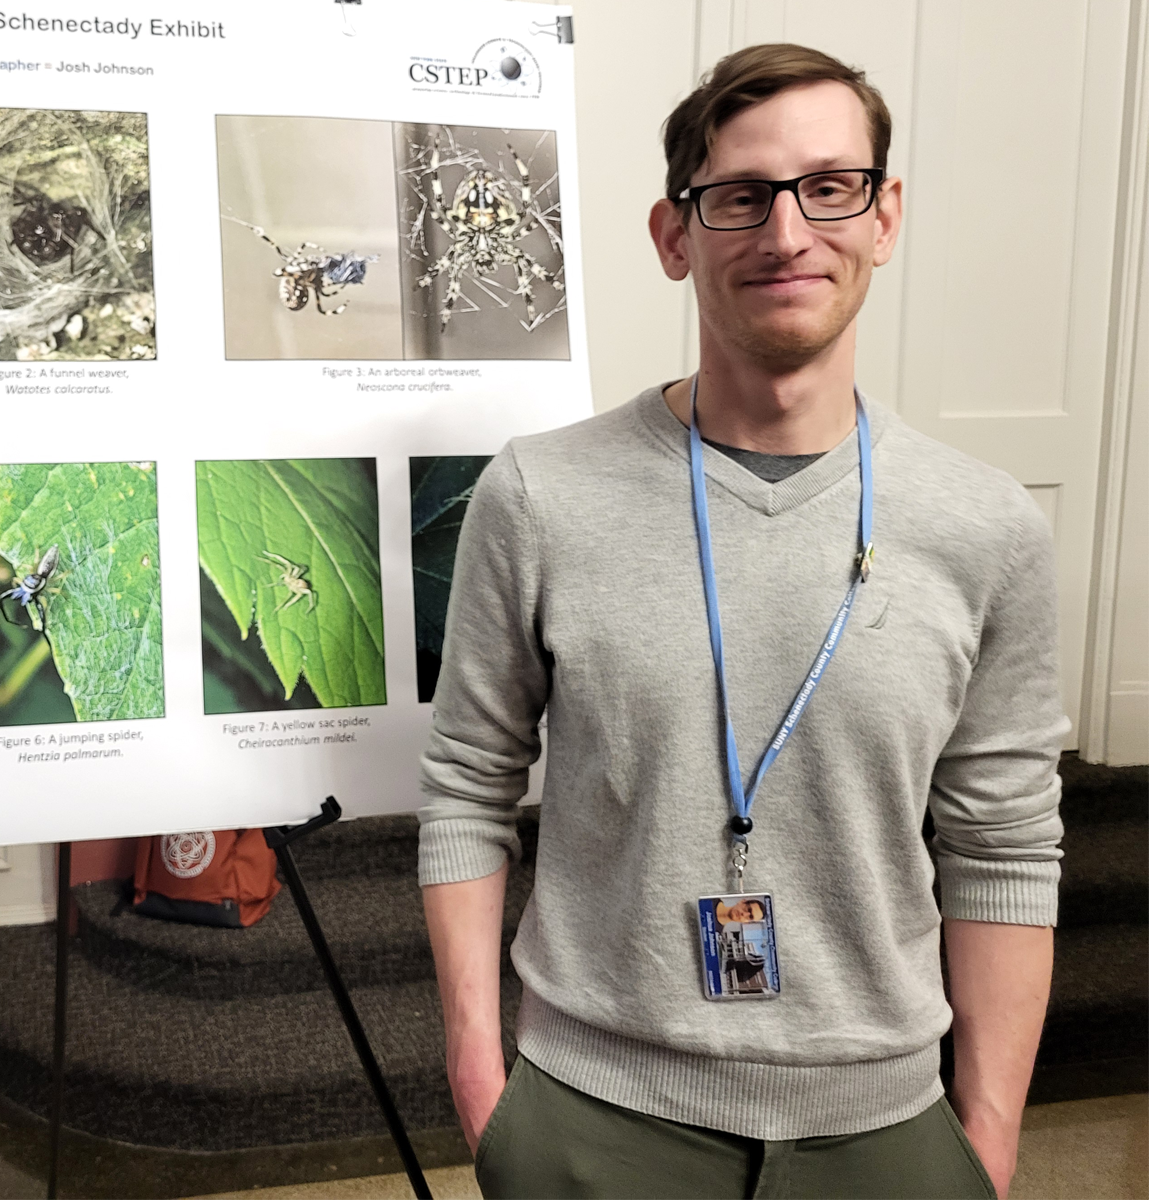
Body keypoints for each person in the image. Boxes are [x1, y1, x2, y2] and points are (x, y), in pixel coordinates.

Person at [419, 43, 1063, 1200]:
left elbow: (1004, 845)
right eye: (740, 196)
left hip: (888, 1131)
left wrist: (989, 1137)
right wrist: (481, 1077)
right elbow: (469, 785)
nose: (787, 231)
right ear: (675, 236)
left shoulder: (986, 527)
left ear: (885, 214)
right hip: (593, 1119)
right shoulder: (540, 494)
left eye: (830, 186)